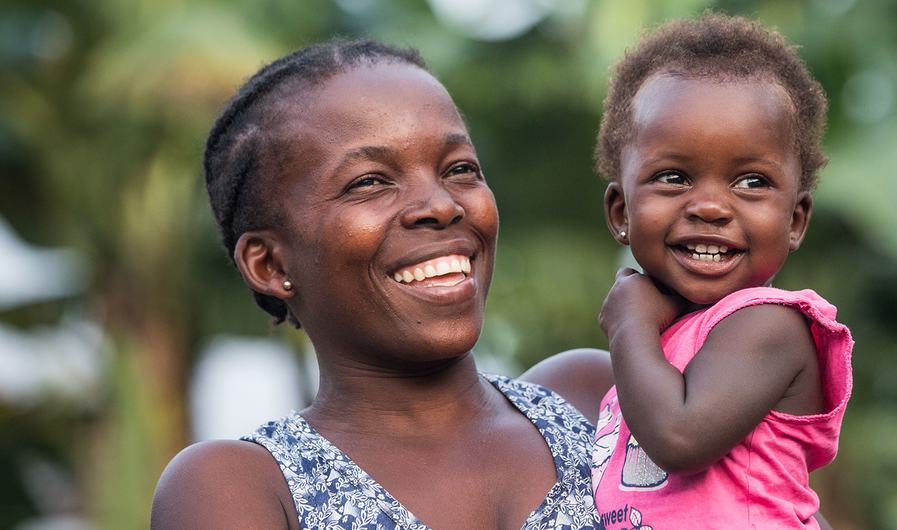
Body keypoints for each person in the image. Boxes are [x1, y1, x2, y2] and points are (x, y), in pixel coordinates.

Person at [151, 40, 612, 530]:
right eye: (369, 182)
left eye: (459, 169)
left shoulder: (592, 397)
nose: (440, 205)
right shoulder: (236, 485)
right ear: (268, 264)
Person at [589, 14, 854, 529]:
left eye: (751, 182)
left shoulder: (770, 326)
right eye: (673, 177)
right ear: (622, 212)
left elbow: (680, 439)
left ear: (795, 220)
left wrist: (628, 323)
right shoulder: (657, 349)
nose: (710, 206)